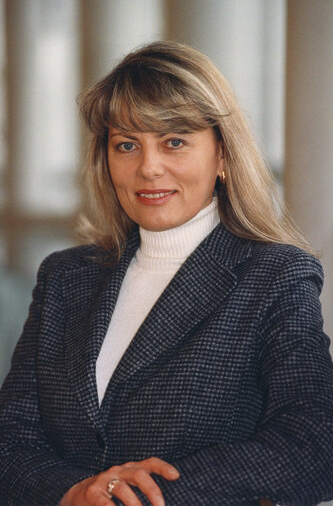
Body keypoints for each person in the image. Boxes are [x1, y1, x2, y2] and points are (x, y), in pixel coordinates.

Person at [0, 41, 333, 506]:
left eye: (174, 141)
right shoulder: (65, 277)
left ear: (222, 156)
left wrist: (133, 496)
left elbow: (312, 448)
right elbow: (10, 442)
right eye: (127, 145)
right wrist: (74, 492)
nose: (148, 168)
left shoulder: (274, 276)